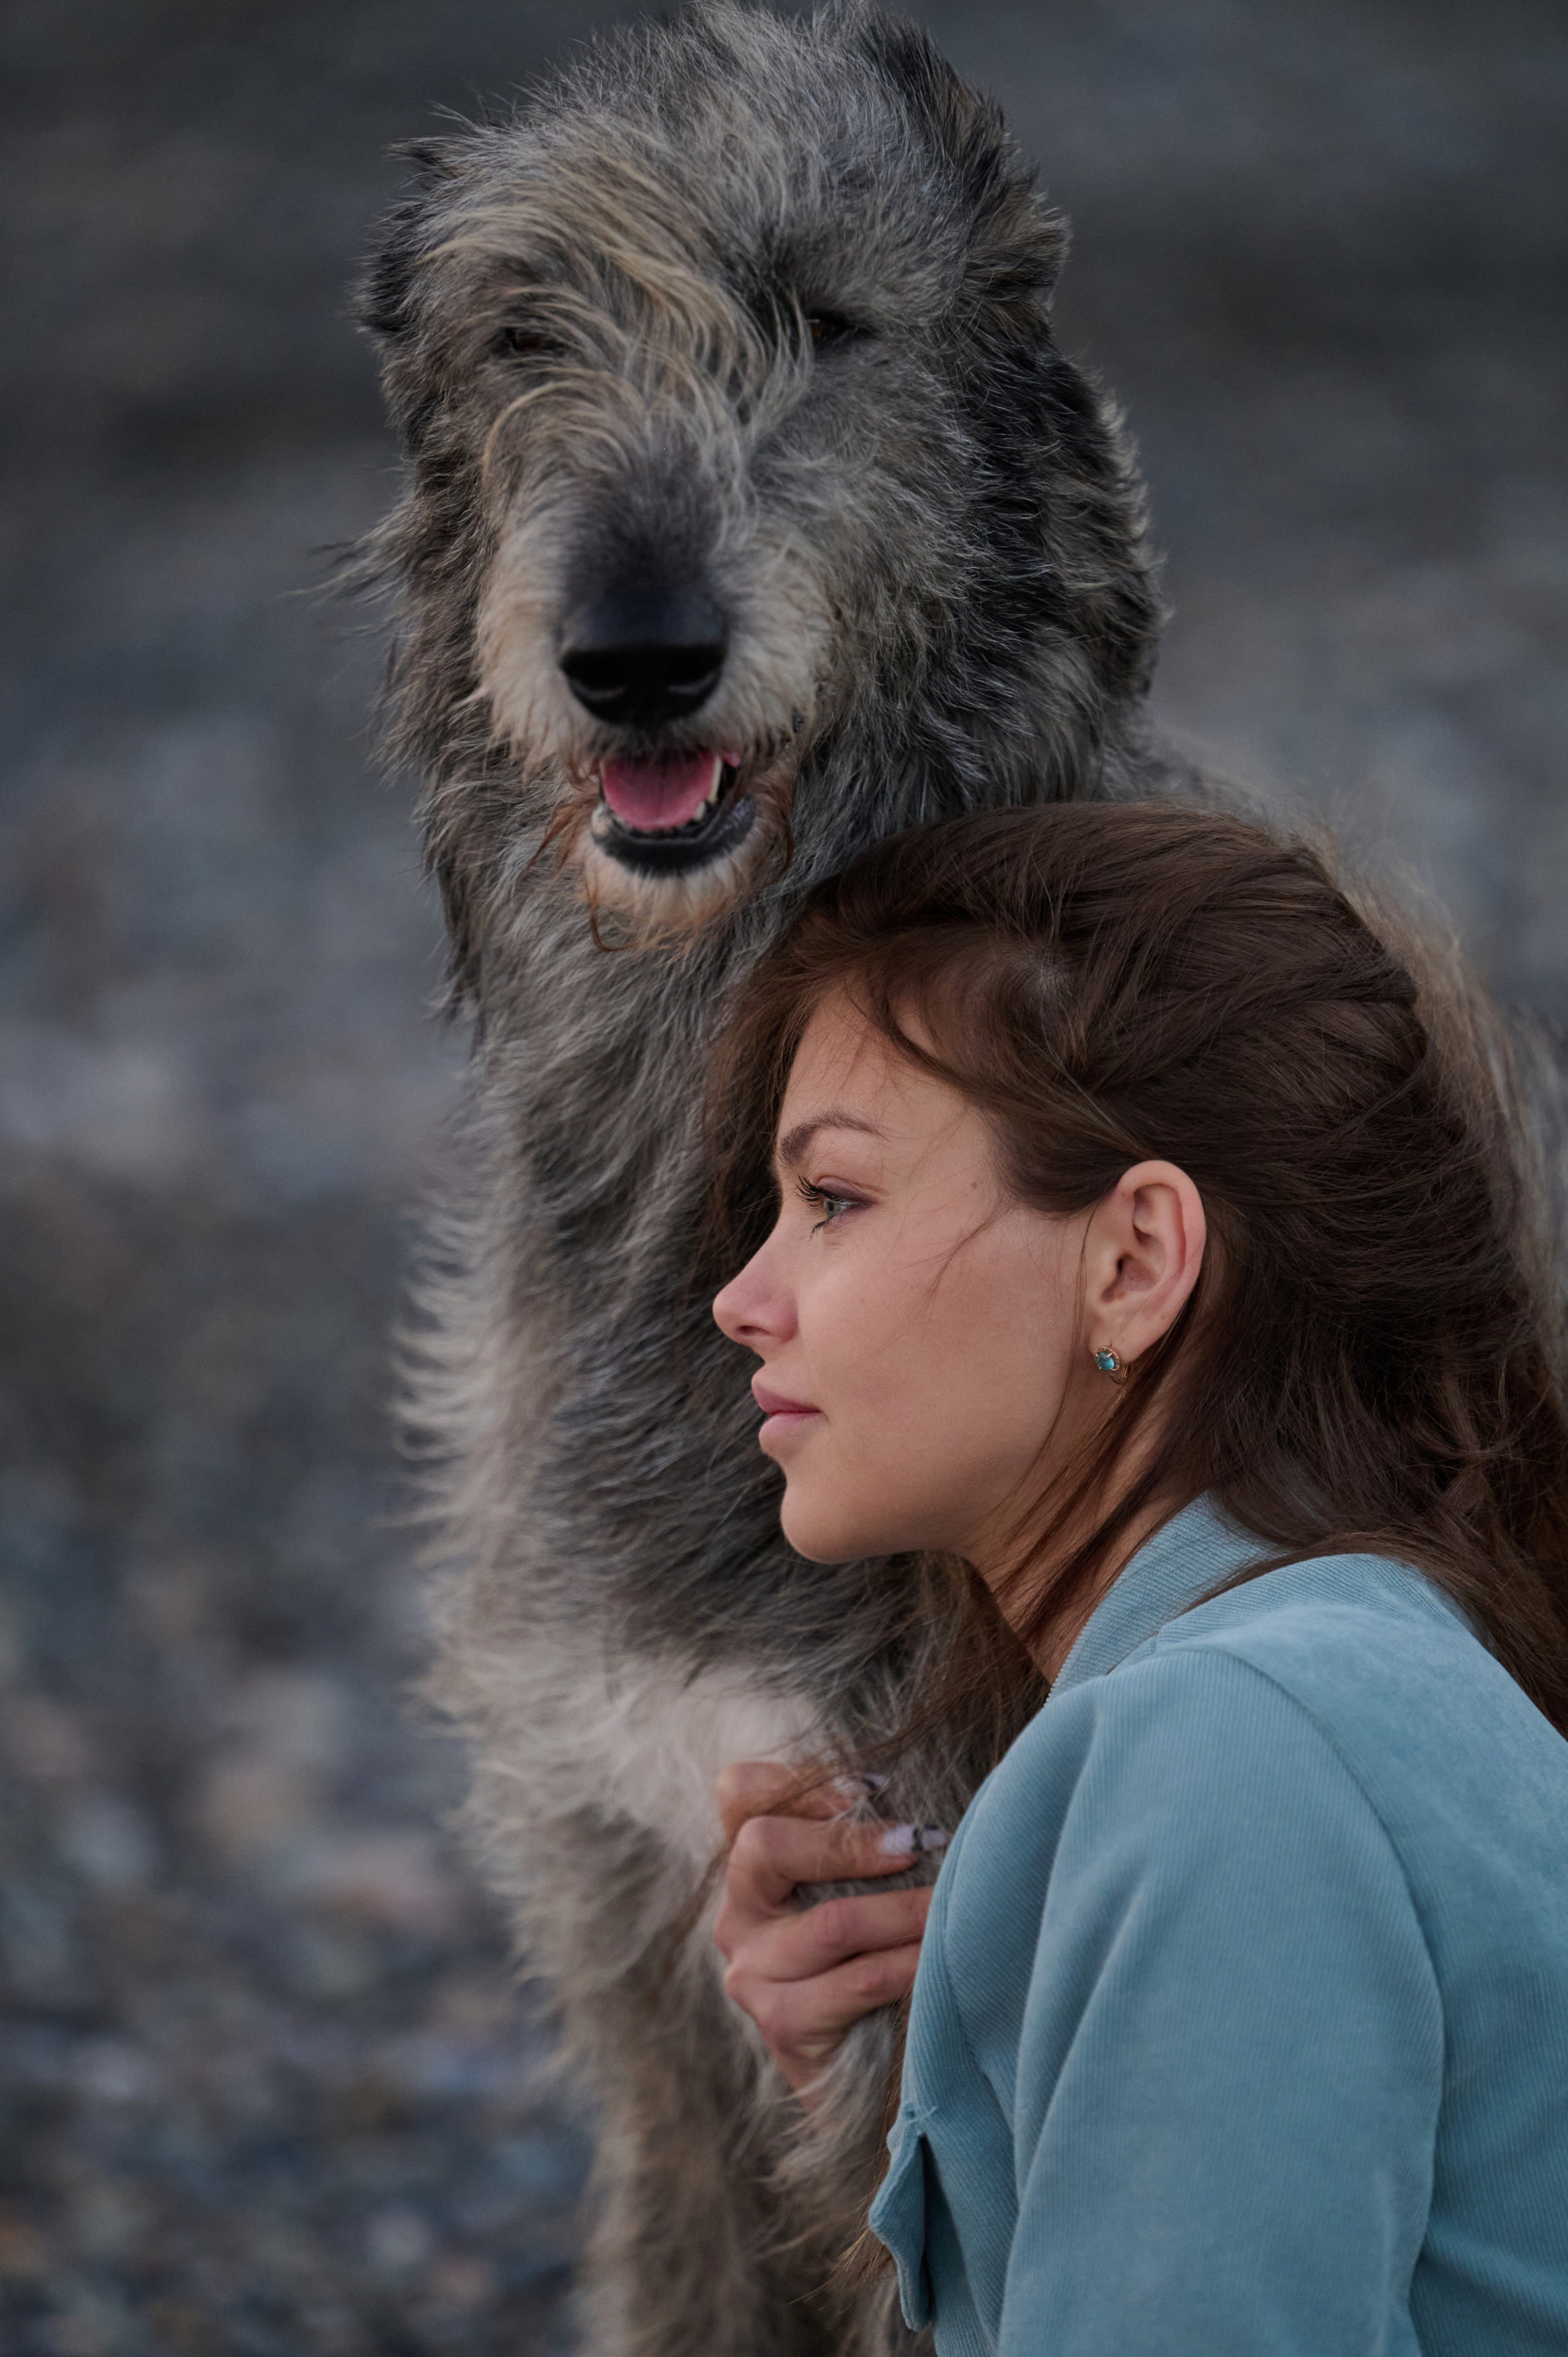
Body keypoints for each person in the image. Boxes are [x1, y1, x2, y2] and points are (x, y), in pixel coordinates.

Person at [705, 803, 1568, 2355]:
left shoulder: (1234, 1747)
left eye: (833, 1198)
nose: (740, 1298)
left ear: (1130, 1260)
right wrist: (912, 2068)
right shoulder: (1331, 1681)